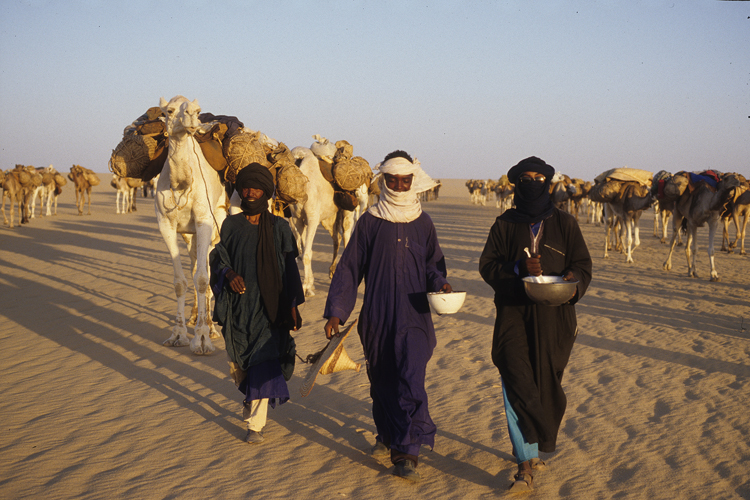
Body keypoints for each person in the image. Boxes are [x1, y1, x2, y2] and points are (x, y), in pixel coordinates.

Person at [323, 150, 452, 483]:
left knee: (411, 379)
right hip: (377, 316)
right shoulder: (369, 221)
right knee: (382, 381)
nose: (398, 185)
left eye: (404, 179)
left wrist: (441, 283)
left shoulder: (423, 222)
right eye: (392, 179)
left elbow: (432, 265)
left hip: (415, 316)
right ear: (384, 180)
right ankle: (386, 434)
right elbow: (350, 269)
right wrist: (337, 311)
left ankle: (407, 450)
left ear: (412, 181)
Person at [478, 156, 592, 492]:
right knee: (515, 381)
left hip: (555, 318)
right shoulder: (504, 224)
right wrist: (517, 270)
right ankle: (524, 464)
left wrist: (572, 278)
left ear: (548, 183)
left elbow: (583, 265)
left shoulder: (566, 224)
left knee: (546, 382)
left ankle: (535, 443)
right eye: (525, 178)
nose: (532, 183)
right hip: (513, 315)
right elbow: (487, 266)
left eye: (538, 178)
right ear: (516, 184)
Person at [209, 163, 304, 444]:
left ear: (266, 191)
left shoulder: (280, 227)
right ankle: (250, 397)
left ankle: (255, 426)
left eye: (256, 187)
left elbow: (289, 269)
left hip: (270, 309)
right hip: (238, 307)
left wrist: (293, 306)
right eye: (246, 187)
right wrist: (229, 273)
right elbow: (218, 256)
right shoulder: (231, 225)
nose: (250, 193)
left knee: (266, 362)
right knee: (239, 366)